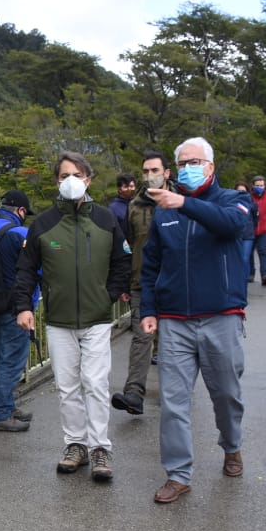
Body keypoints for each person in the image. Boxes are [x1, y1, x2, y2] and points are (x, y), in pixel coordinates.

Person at [139, 137, 252, 504]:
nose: (188, 168)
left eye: (195, 162)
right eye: (183, 162)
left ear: (211, 167)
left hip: (221, 316)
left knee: (226, 395)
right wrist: (148, 310)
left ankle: (232, 446)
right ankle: (178, 474)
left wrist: (185, 203)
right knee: (173, 402)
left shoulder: (233, 201)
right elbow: (151, 265)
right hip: (175, 321)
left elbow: (232, 226)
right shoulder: (164, 213)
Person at [14, 152, 130, 482]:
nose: (71, 181)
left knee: (95, 384)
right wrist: (24, 306)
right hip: (59, 319)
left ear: (88, 180)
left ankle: (99, 448)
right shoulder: (43, 223)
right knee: (67, 387)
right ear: (57, 181)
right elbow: (26, 269)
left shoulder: (106, 220)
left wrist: (108, 294)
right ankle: (75, 445)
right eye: (65, 175)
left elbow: (123, 262)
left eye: (77, 175)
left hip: (97, 318)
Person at [112, 151, 170, 416]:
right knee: (141, 338)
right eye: (145, 171)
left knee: (172, 339)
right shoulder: (134, 206)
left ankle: (174, 390)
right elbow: (128, 245)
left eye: (155, 170)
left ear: (166, 173)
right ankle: (134, 393)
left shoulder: (182, 202)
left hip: (175, 283)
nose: (149, 176)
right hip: (141, 283)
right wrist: (125, 282)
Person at [0, 189, 36, 432]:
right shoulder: (18, 233)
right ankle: (0, 414)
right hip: (16, 308)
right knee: (12, 361)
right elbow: (38, 266)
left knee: (2, 359)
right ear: (21, 211)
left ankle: (6, 406)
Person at [249, 175, 266, 286]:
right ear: (253, 186)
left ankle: (265, 275)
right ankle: (250, 274)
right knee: (249, 253)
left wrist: (264, 221)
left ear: (265, 186)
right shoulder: (249, 197)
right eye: (257, 185)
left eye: (261, 185)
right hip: (250, 230)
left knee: (263, 252)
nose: (259, 187)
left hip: (264, 230)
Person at [108, 173, 137, 240]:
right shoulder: (113, 208)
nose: (129, 189)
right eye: (126, 186)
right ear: (119, 189)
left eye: (131, 186)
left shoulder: (139, 204)